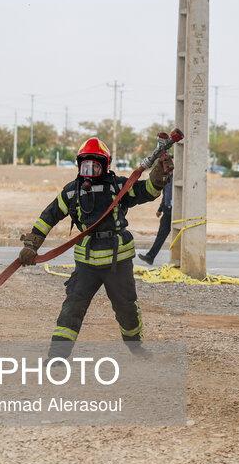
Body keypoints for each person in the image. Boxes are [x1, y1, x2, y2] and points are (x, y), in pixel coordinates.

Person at [17, 136, 172, 357]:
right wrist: (32, 244)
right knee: (72, 309)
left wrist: (158, 176)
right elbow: (49, 216)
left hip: (117, 263)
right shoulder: (72, 191)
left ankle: (135, 346)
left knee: (126, 308)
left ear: (105, 165)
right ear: (79, 165)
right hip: (86, 264)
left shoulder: (119, 187)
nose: (89, 169)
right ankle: (57, 356)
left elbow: (146, 191)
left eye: (95, 164)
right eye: (85, 164)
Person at [137, 178, 173, 265]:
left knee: (176, 235)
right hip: (167, 211)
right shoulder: (167, 179)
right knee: (161, 235)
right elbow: (165, 196)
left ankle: (150, 256)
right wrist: (160, 209)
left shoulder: (177, 178)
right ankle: (150, 257)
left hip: (176, 211)